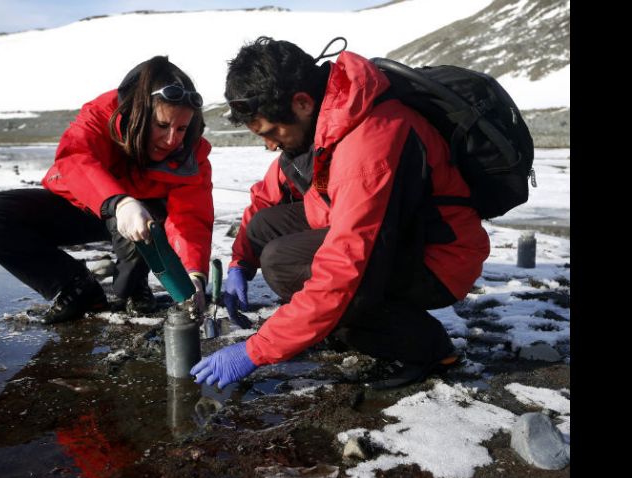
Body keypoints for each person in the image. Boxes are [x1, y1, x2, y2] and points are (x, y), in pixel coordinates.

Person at [191, 37, 490, 390]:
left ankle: (425, 347)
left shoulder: (369, 142)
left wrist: (256, 351)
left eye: (271, 133)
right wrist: (240, 263)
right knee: (263, 228)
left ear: (301, 102)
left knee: (282, 263)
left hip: (439, 259)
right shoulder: (328, 119)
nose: (270, 145)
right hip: (389, 234)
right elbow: (265, 196)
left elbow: (343, 267)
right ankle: (330, 322)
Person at [0, 56, 214, 324]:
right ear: (140, 113)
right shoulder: (101, 114)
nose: (171, 140)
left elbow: (191, 217)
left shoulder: (191, 152)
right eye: (163, 126)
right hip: (89, 207)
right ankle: (75, 285)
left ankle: (134, 287)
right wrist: (119, 203)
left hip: (143, 223)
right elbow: (75, 159)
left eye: (181, 128)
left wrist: (194, 276)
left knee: (133, 266)